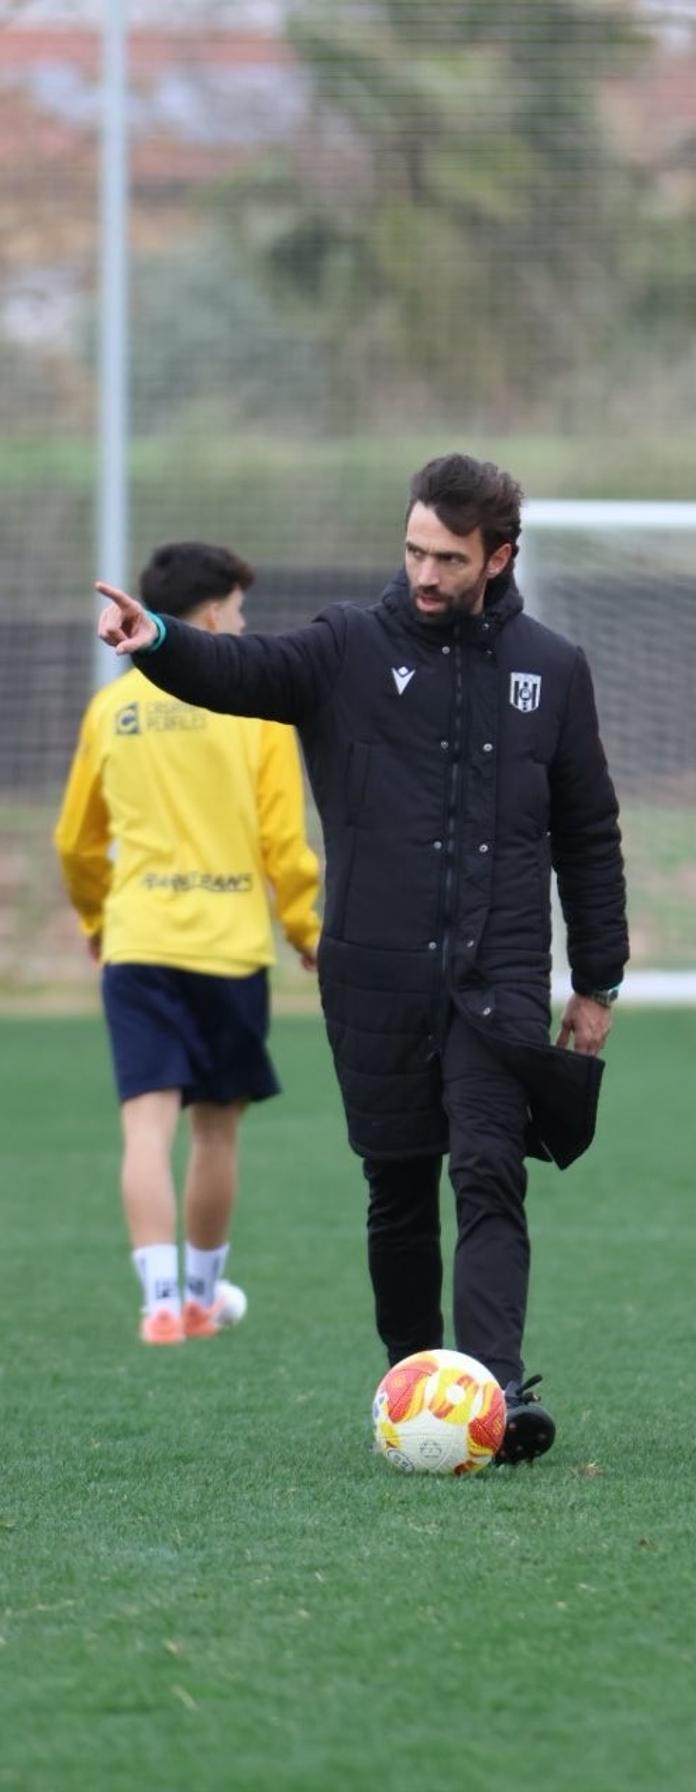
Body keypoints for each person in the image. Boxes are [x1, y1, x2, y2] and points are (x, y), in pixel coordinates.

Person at [94, 454, 628, 1465]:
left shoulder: (552, 668)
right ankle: (415, 1380)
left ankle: (494, 1393)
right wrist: (156, 640)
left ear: (498, 556)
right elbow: (239, 671)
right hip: (374, 974)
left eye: (449, 557)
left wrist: (596, 980)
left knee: (487, 1170)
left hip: (499, 973)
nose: (426, 573)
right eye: (415, 550)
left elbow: (589, 833)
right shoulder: (345, 646)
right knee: (396, 1183)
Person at [55, 541, 322, 1346]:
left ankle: (160, 1304)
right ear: (211, 615)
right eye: (238, 611)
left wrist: (100, 920)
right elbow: (284, 839)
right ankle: (204, 1297)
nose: (243, 624)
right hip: (228, 946)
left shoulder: (112, 710)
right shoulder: (256, 710)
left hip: (139, 942)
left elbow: (76, 841)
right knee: (215, 1131)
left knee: (146, 1127)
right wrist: (307, 930)